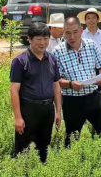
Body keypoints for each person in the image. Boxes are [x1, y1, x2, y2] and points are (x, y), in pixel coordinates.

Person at [52, 17, 101, 146]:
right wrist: (71, 84)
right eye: (68, 33)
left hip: (93, 97)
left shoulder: (91, 45)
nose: (72, 37)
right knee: (72, 138)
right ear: (63, 33)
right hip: (72, 101)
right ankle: (71, 160)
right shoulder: (57, 52)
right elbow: (56, 80)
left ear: (81, 30)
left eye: (75, 32)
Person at [10, 22, 62, 162]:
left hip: (47, 110)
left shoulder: (51, 59)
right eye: (38, 39)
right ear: (29, 39)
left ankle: (41, 174)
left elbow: (56, 86)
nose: (43, 43)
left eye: (46, 39)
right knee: (23, 149)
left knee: (44, 147)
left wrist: (58, 111)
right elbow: (14, 90)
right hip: (28, 110)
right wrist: (18, 117)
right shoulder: (20, 61)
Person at [79, 7, 101, 80]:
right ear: (85, 21)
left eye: (93, 18)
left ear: (97, 20)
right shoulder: (81, 35)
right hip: (86, 70)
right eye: (88, 18)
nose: (91, 20)